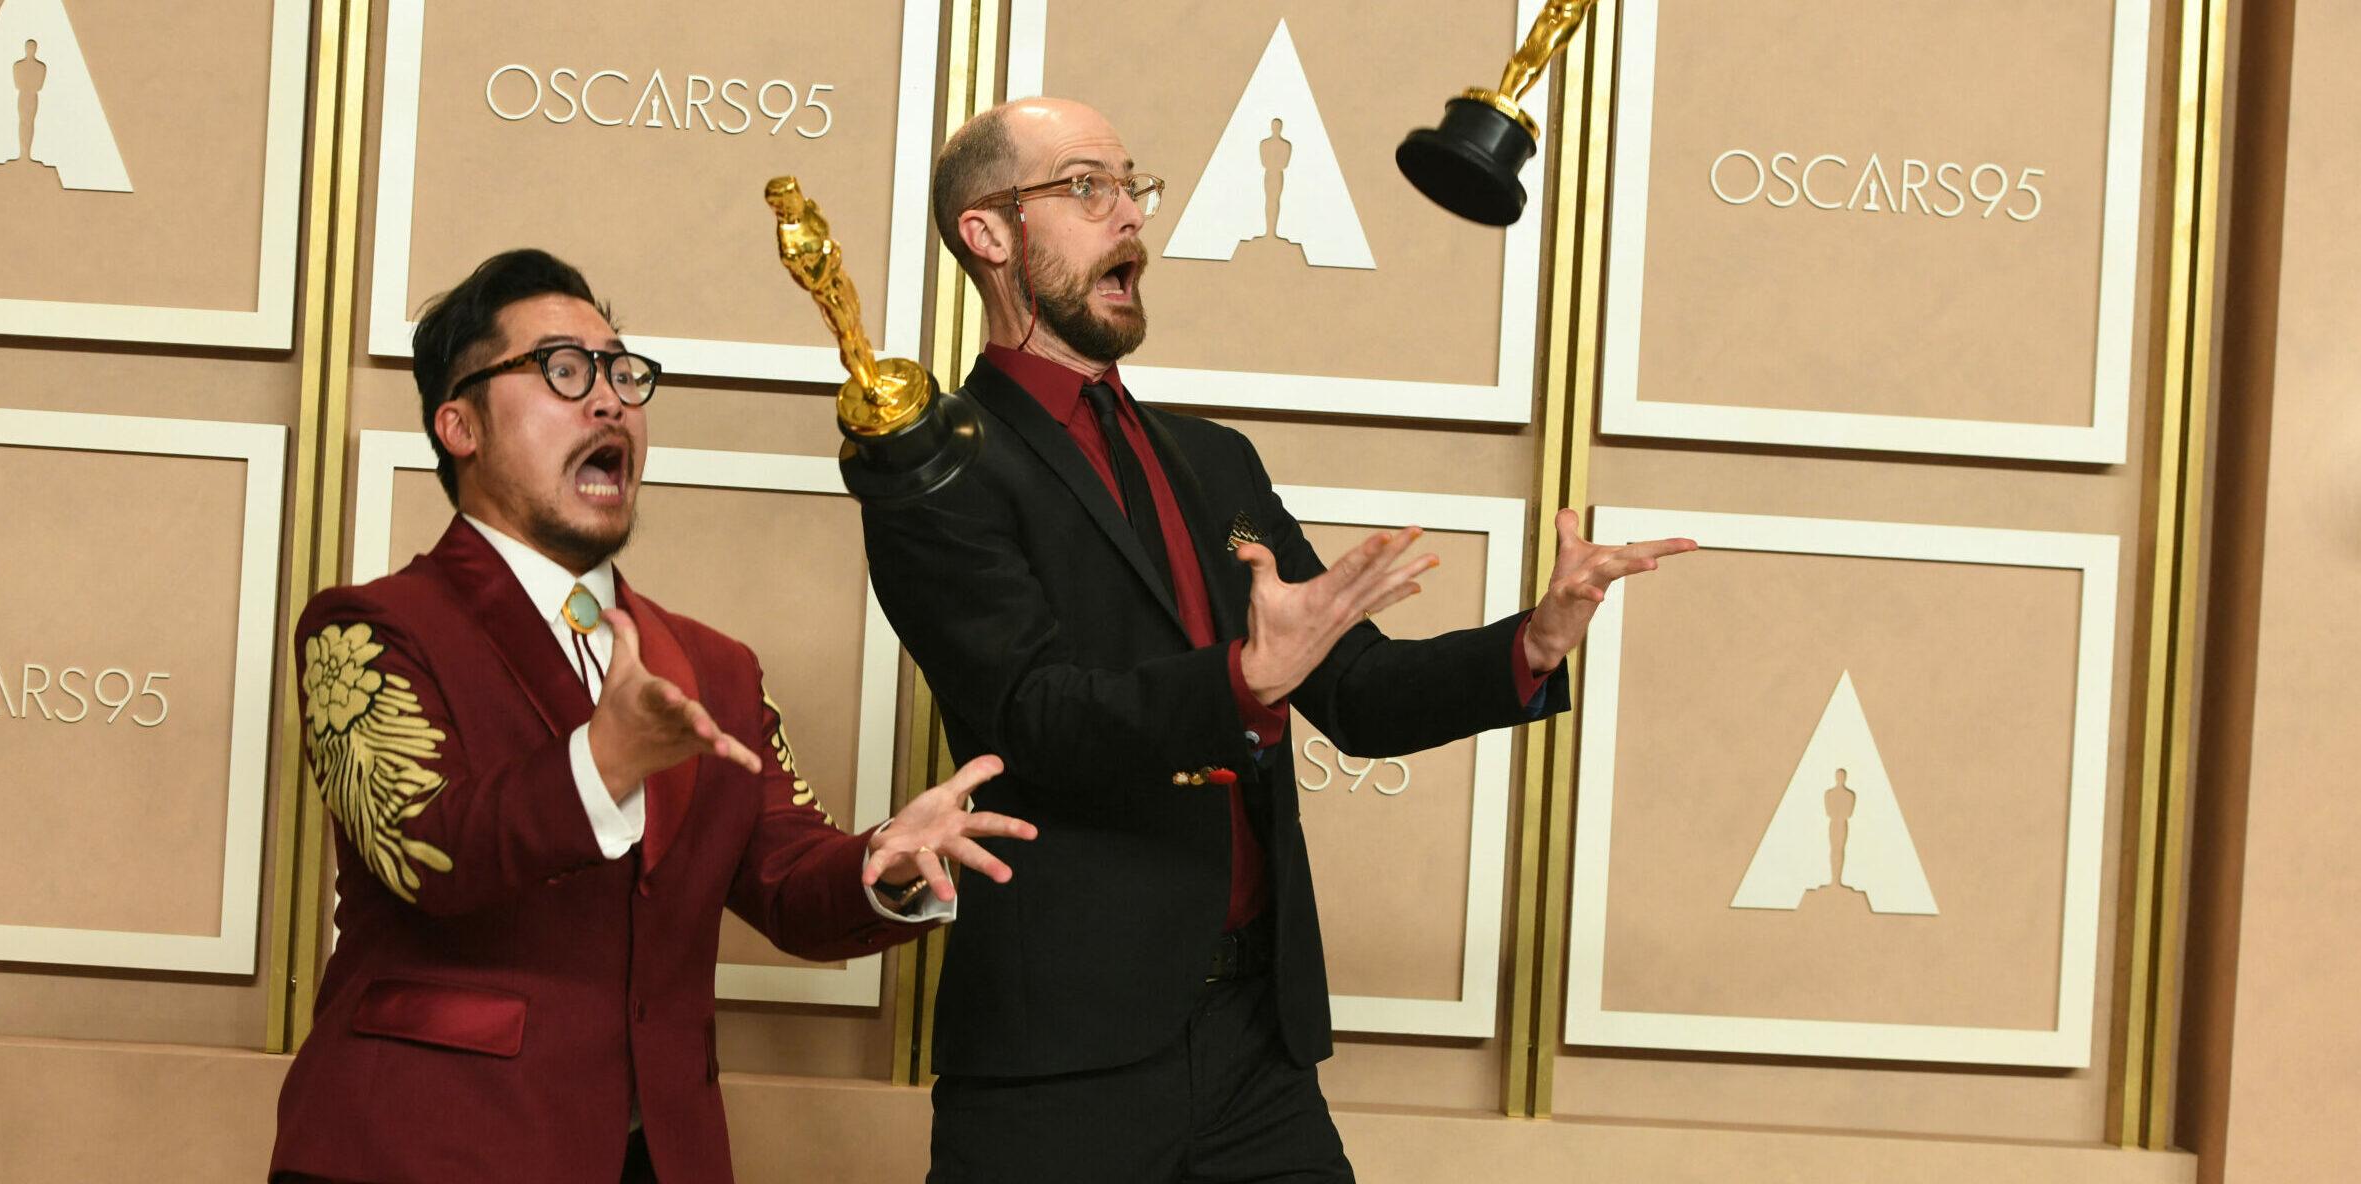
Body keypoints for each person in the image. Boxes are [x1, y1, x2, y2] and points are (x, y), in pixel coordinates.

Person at [861, 98, 1697, 1183]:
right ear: (987, 231)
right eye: (1085, 188)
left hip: (1258, 1044)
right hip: (1060, 1062)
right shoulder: (942, 470)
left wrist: (1530, 645)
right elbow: (1036, 716)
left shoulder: (1214, 463)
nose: (1130, 219)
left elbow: (1359, 694)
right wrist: (1243, 678)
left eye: (1132, 186)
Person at [267, 249, 1033, 1184]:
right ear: (457, 423)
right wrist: (603, 760)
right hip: (420, 1146)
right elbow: (425, 850)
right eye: (562, 370)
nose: (609, 402)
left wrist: (886, 866)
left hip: (658, 1154)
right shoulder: (371, 627)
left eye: (623, 373)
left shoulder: (712, 666)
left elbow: (787, 878)